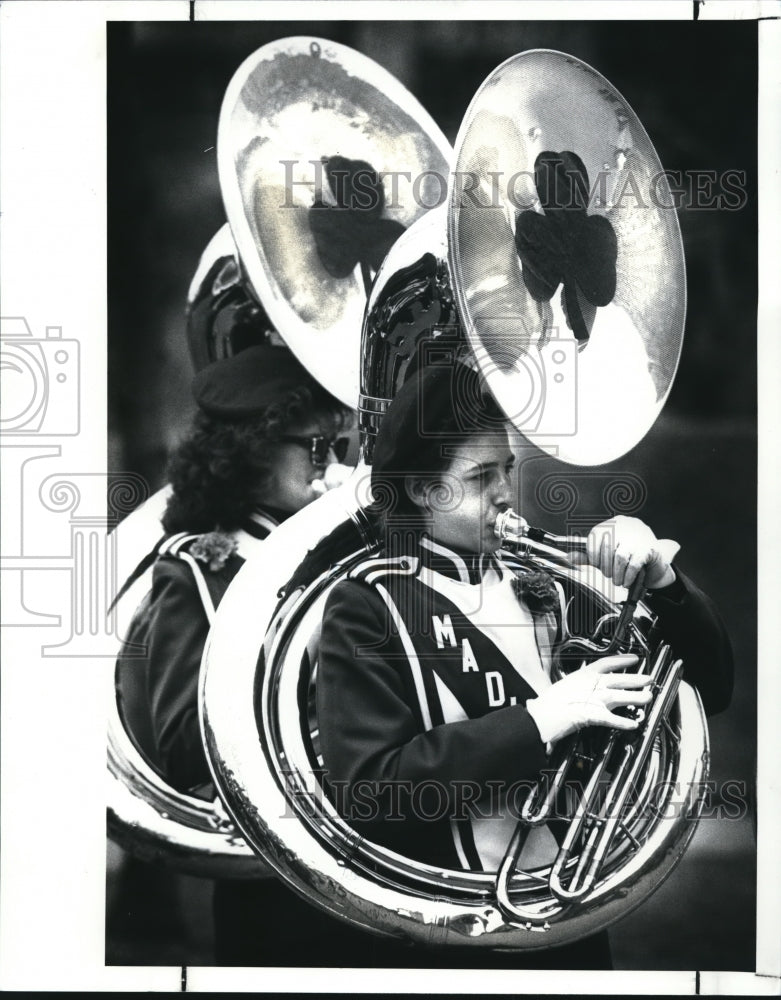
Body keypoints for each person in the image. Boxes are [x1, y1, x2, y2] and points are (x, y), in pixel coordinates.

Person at [316, 360, 734, 969]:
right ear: (421, 488)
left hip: (572, 924)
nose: (507, 494)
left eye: (507, 469)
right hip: (450, 940)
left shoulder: (548, 584)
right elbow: (372, 793)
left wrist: (665, 583)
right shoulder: (368, 606)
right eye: (481, 476)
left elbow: (712, 686)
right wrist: (541, 720)